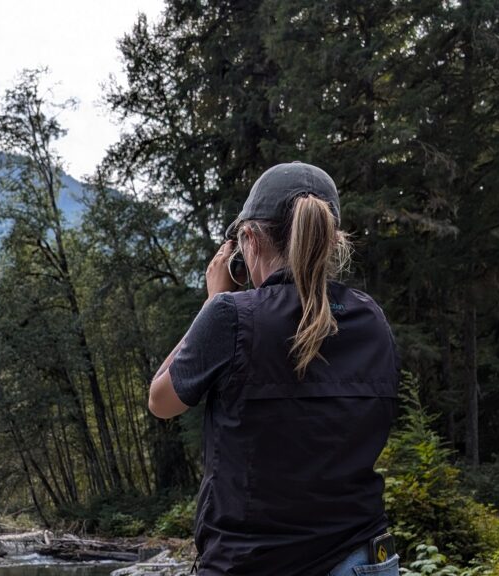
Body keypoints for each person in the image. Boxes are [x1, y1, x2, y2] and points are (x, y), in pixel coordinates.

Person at [148, 162, 400, 576]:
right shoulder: (371, 319)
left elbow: (161, 401)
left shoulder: (231, 316)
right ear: (332, 239)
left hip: (252, 561)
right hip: (358, 557)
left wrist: (211, 304)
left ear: (248, 240)